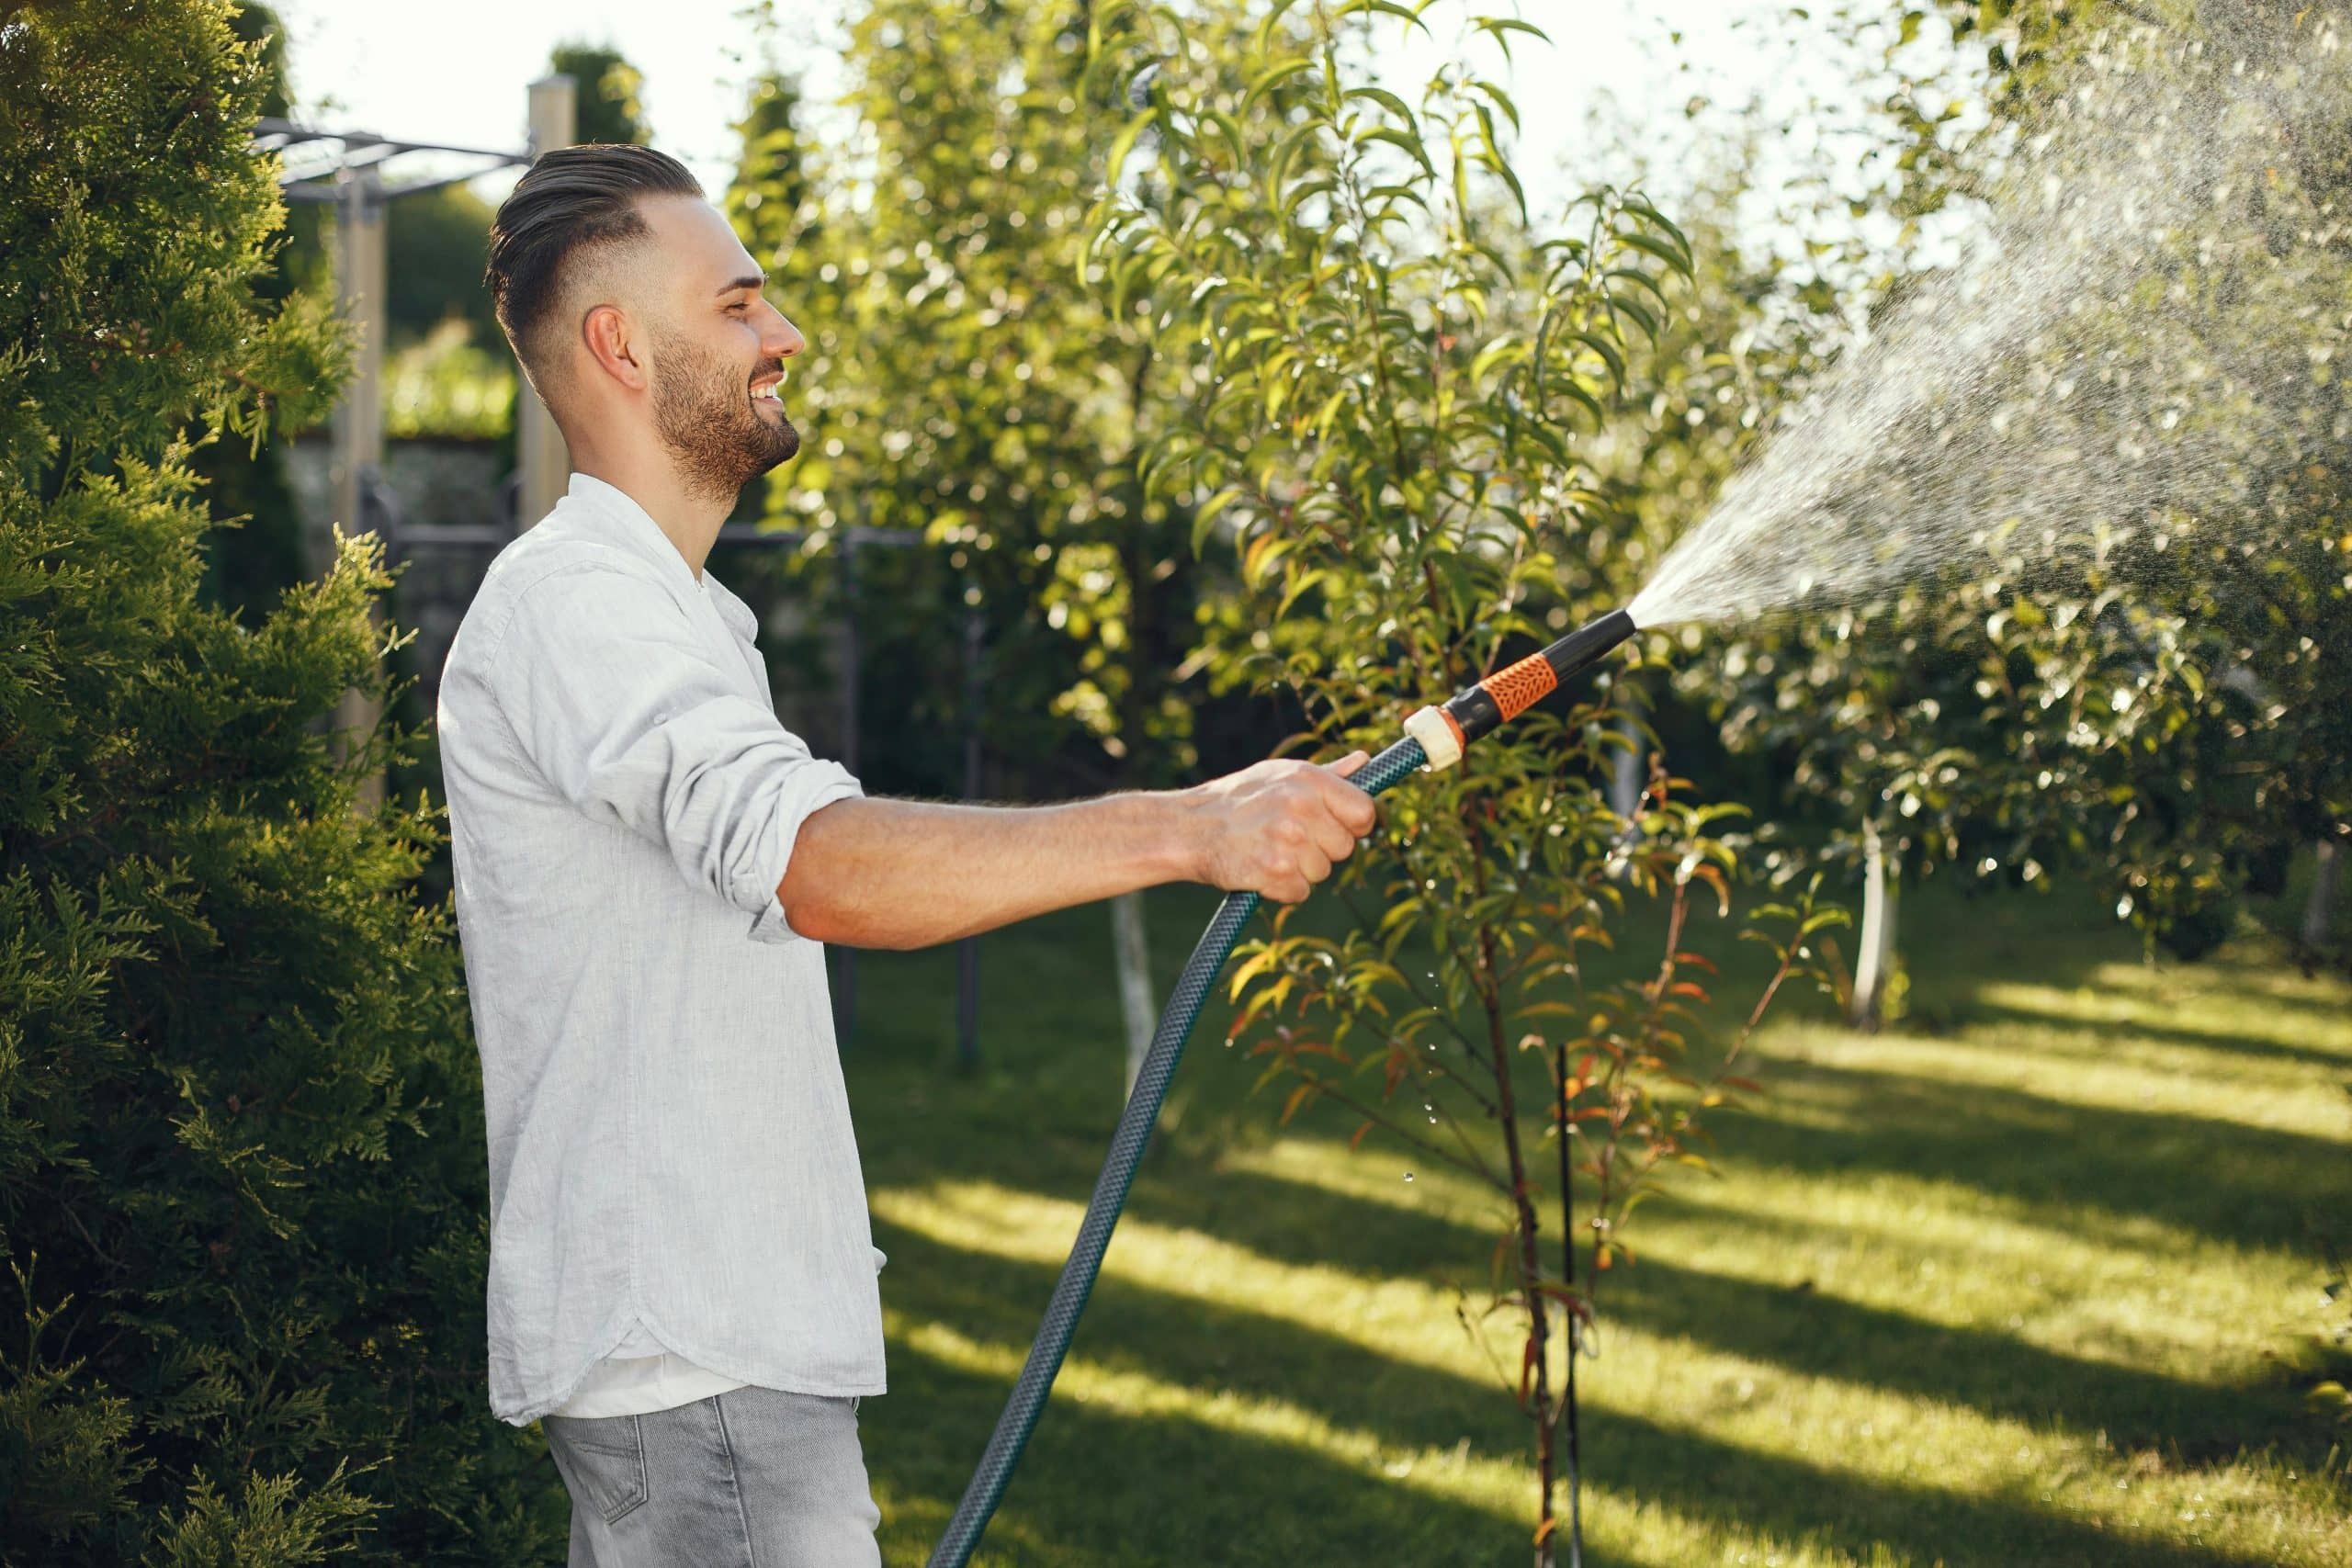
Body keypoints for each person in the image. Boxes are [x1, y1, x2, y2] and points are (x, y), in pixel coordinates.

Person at [435, 142, 1379, 1568]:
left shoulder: (685, 621)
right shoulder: (577, 604)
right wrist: (1192, 826)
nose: (786, 334)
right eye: (740, 304)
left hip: (715, 1363)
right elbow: (820, 866)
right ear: (622, 347)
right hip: (697, 1374)